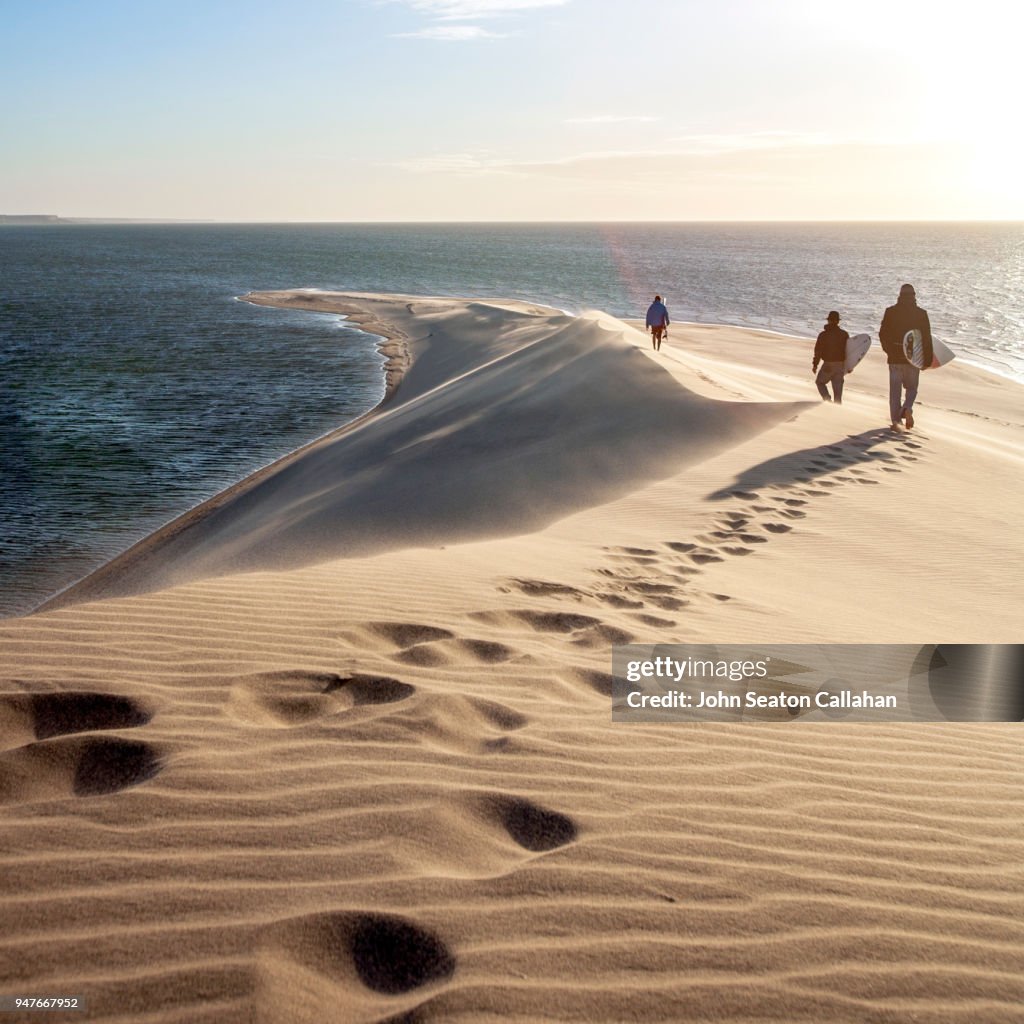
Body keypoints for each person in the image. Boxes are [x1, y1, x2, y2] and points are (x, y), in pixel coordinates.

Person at [879, 283, 932, 430]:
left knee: (894, 393)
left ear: (900, 296)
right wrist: (926, 360)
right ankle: (907, 407)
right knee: (912, 388)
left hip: (895, 357)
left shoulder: (890, 312)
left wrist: (888, 350)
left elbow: (883, 334)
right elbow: (926, 338)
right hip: (913, 358)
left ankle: (896, 421)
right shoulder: (921, 313)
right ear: (914, 296)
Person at [812, 310, 849, 403]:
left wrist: (815, 364)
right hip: (840, 365)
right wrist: (849, 366)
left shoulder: (823, 335)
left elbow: (818, 351)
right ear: (838, 321)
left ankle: (827, 400)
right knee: (838, 395)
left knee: (819, 382)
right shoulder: (844, 334)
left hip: (828, 364)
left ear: (829, 321)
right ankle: (837, 413)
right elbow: (849, 351)